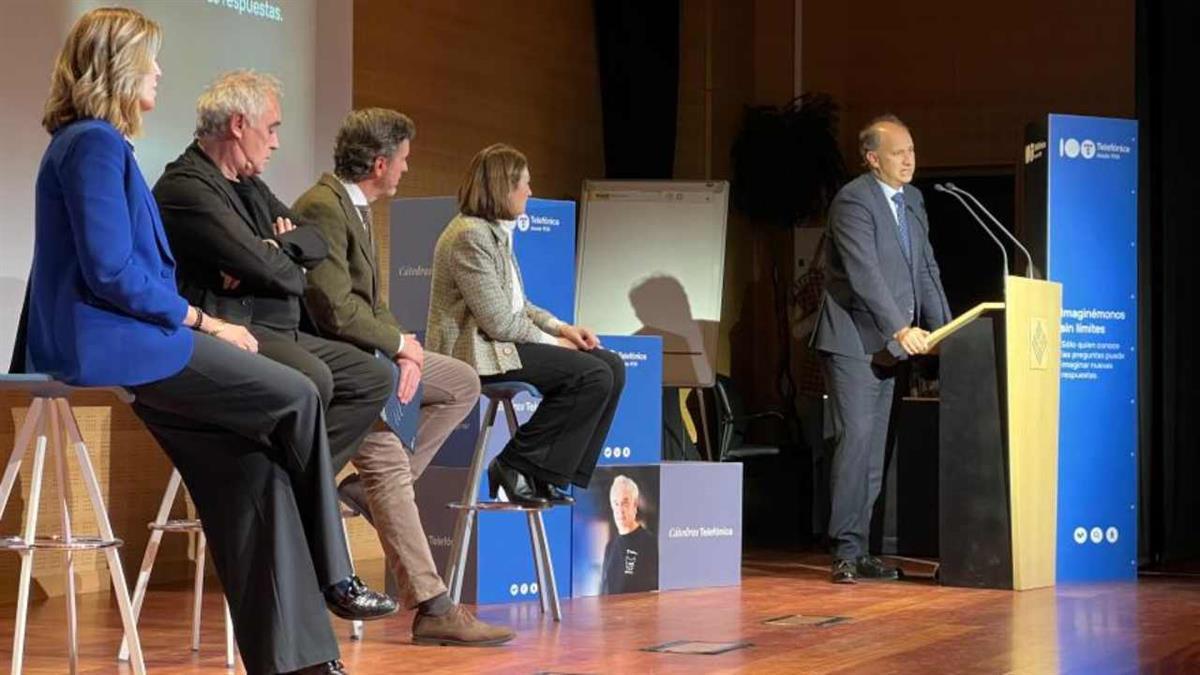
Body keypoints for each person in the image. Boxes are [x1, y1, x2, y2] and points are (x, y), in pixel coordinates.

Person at [25, 8, 391, 674]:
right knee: (298, 394)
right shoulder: (95, 145)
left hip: (133, 338)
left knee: (258, 472)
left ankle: (302, 662)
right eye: (151, 60)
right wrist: (203, 320)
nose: (160, 72)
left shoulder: (92, 144)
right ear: (118, 68)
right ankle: (334, 571)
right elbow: (111, 271)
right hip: (127, 343)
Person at [293, 108, 513, 646]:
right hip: (338, 366)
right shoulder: (322, 206)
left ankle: (375, 492)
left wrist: (406, 348)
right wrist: (394, 348)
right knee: (386, 458)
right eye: (404, 160)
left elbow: (371, 303)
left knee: (461, 382)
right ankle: (434, 606)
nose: (407, 169)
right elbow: (331, 308)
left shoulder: (356, 207)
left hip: (369, 354)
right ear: (380, 162)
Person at [153, 70, 395, 476]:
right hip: (232, 330)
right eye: (271, 129)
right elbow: (269, 269)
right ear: (238, 124)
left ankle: (293, 486)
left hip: (282, 329)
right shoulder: (187, 187)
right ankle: (290, 489)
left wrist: (277, 249)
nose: (276, 142)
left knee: (373, 377)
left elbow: (315, 241)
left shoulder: (250, 185)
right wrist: (276, 261)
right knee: (313, 378)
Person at [426, 143, 626, 505]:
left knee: (611, 364)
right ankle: (514, 464)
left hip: (500, 344)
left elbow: (520, 305)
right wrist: (554, 344)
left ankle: (546, 474)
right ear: (504, 188)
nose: (530, 192)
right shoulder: (469, 236)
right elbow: (500, 322)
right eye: (525, 184)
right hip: (478, 353)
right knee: (592, 375)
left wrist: (562, 328)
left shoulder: (494, 233)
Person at [811, 114, 951, 584]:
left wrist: (949, 332)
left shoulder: (913, 200)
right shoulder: (853, 201)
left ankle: (862, 548)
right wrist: (899, 327)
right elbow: (864, 273)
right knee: (855, 442)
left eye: (912, 151)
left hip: (891, 347)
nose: (909, 160)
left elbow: (926, 270)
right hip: (853, 342)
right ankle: (844, 551)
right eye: (898, 153)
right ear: (872, 159)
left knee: (875, 451)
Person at [600, 475, 658, 594]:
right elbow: (603, 590)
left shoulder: (649, 543)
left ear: (635, 505)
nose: (620, 510)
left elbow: (654, 592)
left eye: (625, 503)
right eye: (616, 504)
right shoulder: (610, 547)